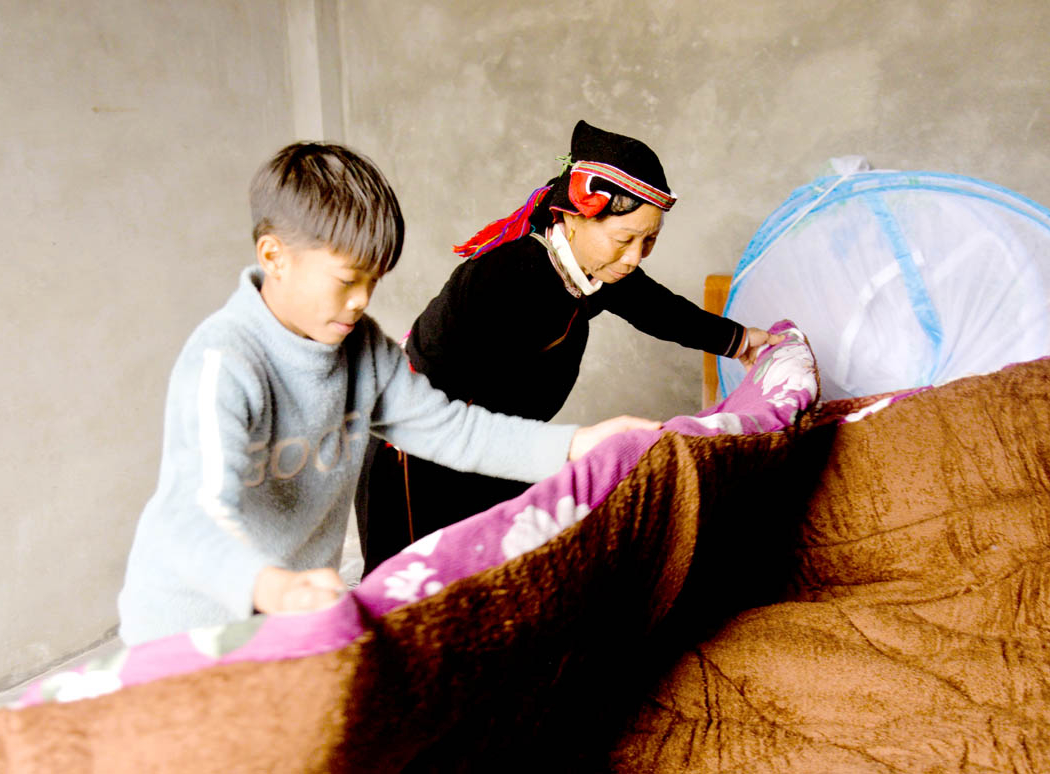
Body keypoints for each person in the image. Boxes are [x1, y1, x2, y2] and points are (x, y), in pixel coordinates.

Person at [116, 142, 659, 645]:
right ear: (274, 256)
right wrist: (275, 589)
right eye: (346, 279)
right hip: (190, 628)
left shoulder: (364, 350)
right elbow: (194, 515)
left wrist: (577, 444)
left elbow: (450, 429)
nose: (360, 301)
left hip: (289, 619)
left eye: (373, 281)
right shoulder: (225, 362)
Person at [359, 120, 783, 574]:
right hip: (421, 457)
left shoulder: (597, 270)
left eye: (649, 240)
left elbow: (659, 309)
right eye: (625, 239)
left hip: (498, 443)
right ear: (574, 217)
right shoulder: (504, 277)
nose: (635, 256)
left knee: (497, 577)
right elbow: (435, 398)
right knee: (409, 589)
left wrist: (740, 341)